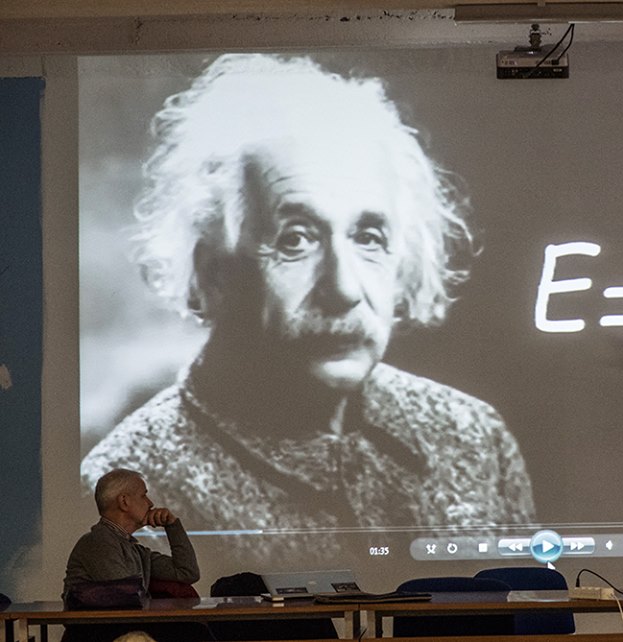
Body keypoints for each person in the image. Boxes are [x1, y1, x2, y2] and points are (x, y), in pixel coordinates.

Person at [80, 53, 535, 563]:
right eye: (295, 239)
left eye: (369, 237)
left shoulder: (473, 434)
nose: (343, 288)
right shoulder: (130, 483)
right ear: (214, 273)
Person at [62, 469, 203, 642]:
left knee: (193, 629)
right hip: (98, 633)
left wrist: (172, 526)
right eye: (143, 496)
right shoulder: (97, 542)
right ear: (124, 502)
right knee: (191, 631)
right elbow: (127, 598)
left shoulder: (134, 549)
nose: (150, 503)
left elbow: (187, 572)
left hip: (124, 627)